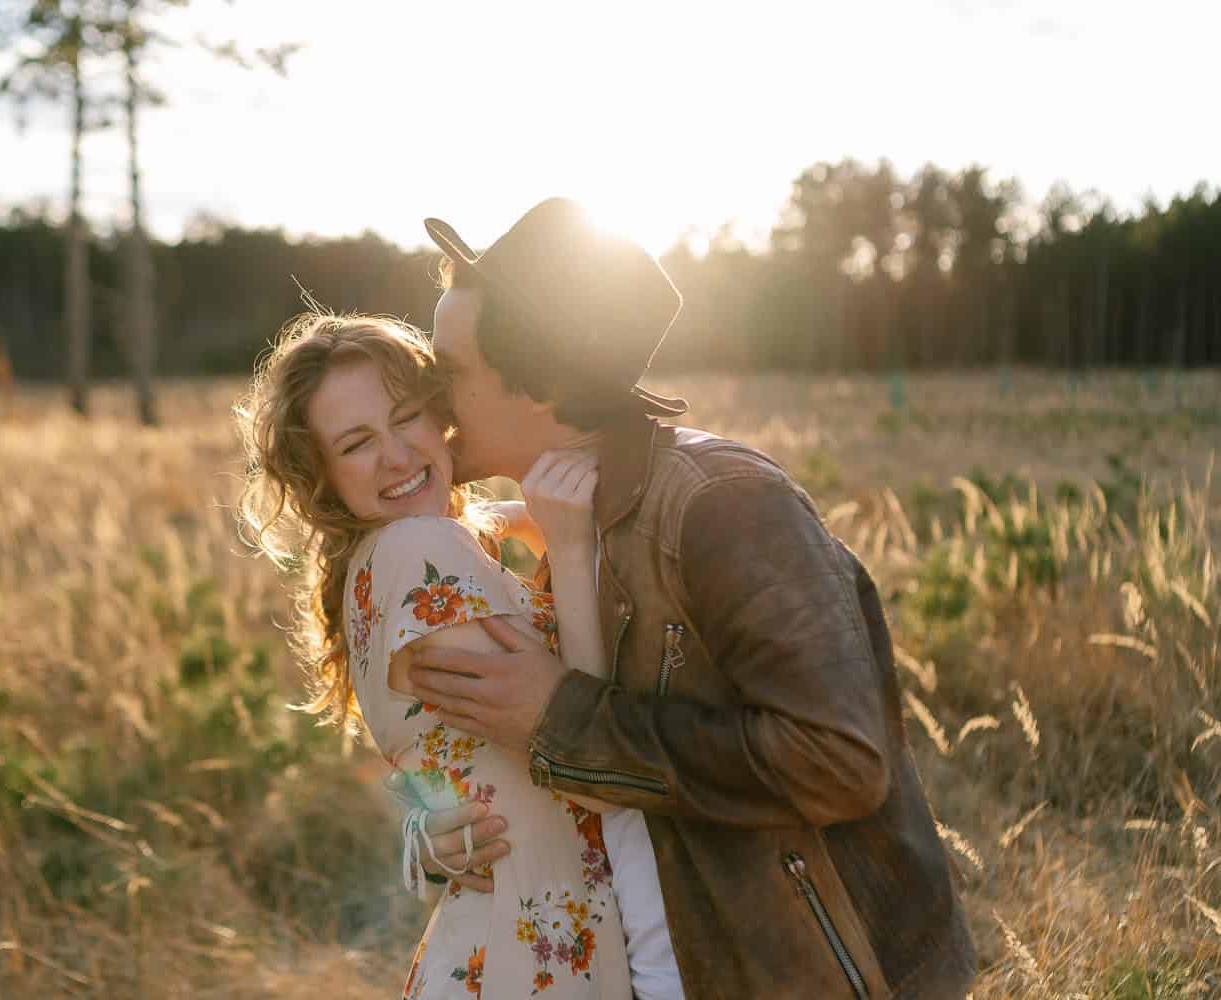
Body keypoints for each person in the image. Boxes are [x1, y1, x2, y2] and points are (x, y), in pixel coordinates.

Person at [403, 198, 977, 998]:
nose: (428, 401)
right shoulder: (536, 528)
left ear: (542, 383)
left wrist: (564, 719)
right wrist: (434, 835)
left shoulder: (725, 507)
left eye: (450, 372)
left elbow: (840, 763)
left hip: (784, 971)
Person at [234, 313, 654, 998]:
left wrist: (427, 829)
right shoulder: (422, 549)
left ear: (440, 416)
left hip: (512, 944)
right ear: (323, 476)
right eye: (357, 444)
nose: (396, 456)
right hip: (535, 958)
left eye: (406, 418)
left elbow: (432, 754)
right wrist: (571, 548)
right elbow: (585, 755)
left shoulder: (378, 566)